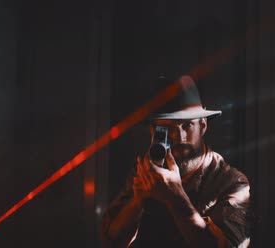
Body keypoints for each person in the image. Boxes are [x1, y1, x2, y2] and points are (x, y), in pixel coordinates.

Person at [100, 75, 251, 248]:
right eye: (168, 127)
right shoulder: (147, 171)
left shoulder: (231, 182)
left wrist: (177, 199)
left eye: (187, 125)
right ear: (153, 131)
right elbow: (111, 241)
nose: (179, 137)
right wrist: (137, 201)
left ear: (203, 125)